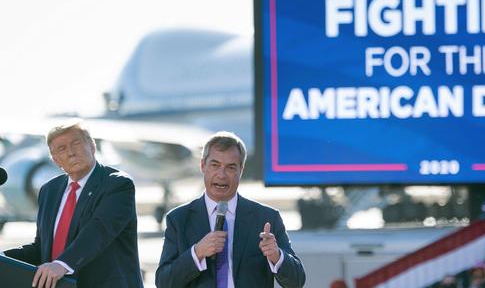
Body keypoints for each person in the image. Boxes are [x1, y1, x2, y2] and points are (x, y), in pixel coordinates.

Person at [155, 131, 306, 287]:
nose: (221, 175)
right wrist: (197, 253)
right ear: (202, 166)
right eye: (215, 165)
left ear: (241, 170)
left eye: (230, 167)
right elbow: (164, 282)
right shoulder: (179, 219)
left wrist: (277, 256)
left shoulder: (266, 218)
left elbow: (297, 281)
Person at [3, 120, 143, 288]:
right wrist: (3, 257)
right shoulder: (50, 190)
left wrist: (62, 264)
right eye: (62, 149)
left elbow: (99, 231)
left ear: (92, 146)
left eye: (76, 143)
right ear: (55, 160)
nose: (71, 153)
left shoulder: (117, 184)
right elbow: (42, 247)